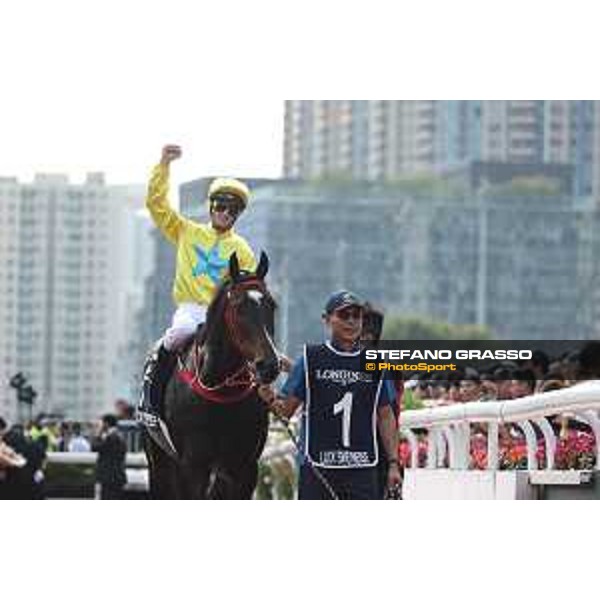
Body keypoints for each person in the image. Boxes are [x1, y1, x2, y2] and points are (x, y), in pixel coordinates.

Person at [137, 144, 258, 456]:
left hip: (223, 314)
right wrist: (163, 163)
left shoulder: (242, 248)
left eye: (233, 209)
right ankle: (150, 398)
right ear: (211, 206)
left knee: (250, 349)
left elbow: (247, 288)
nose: (225, 212)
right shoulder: (187, 231)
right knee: (176, 336)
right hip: (192, 311)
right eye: (221, 205)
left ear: (238, 214)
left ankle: (258, 404)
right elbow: (156, 204)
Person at [260, 290, 402, 500]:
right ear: (327, 320)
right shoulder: (310, 359)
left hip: (362, 468)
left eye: (357, 315)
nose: (351, 321)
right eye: (344, 315)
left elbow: (385, 416)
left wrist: (393, 464)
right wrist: (269, 398)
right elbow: (285, 412)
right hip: (318, 468)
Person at [93, 415, 127, 500]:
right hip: (115, 477)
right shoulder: (118, 435)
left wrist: (98, 433)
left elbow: (95, 447)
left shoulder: (111, 437)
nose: (100, 425)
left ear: (106, 423)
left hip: (110, 478)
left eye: (101, 423)